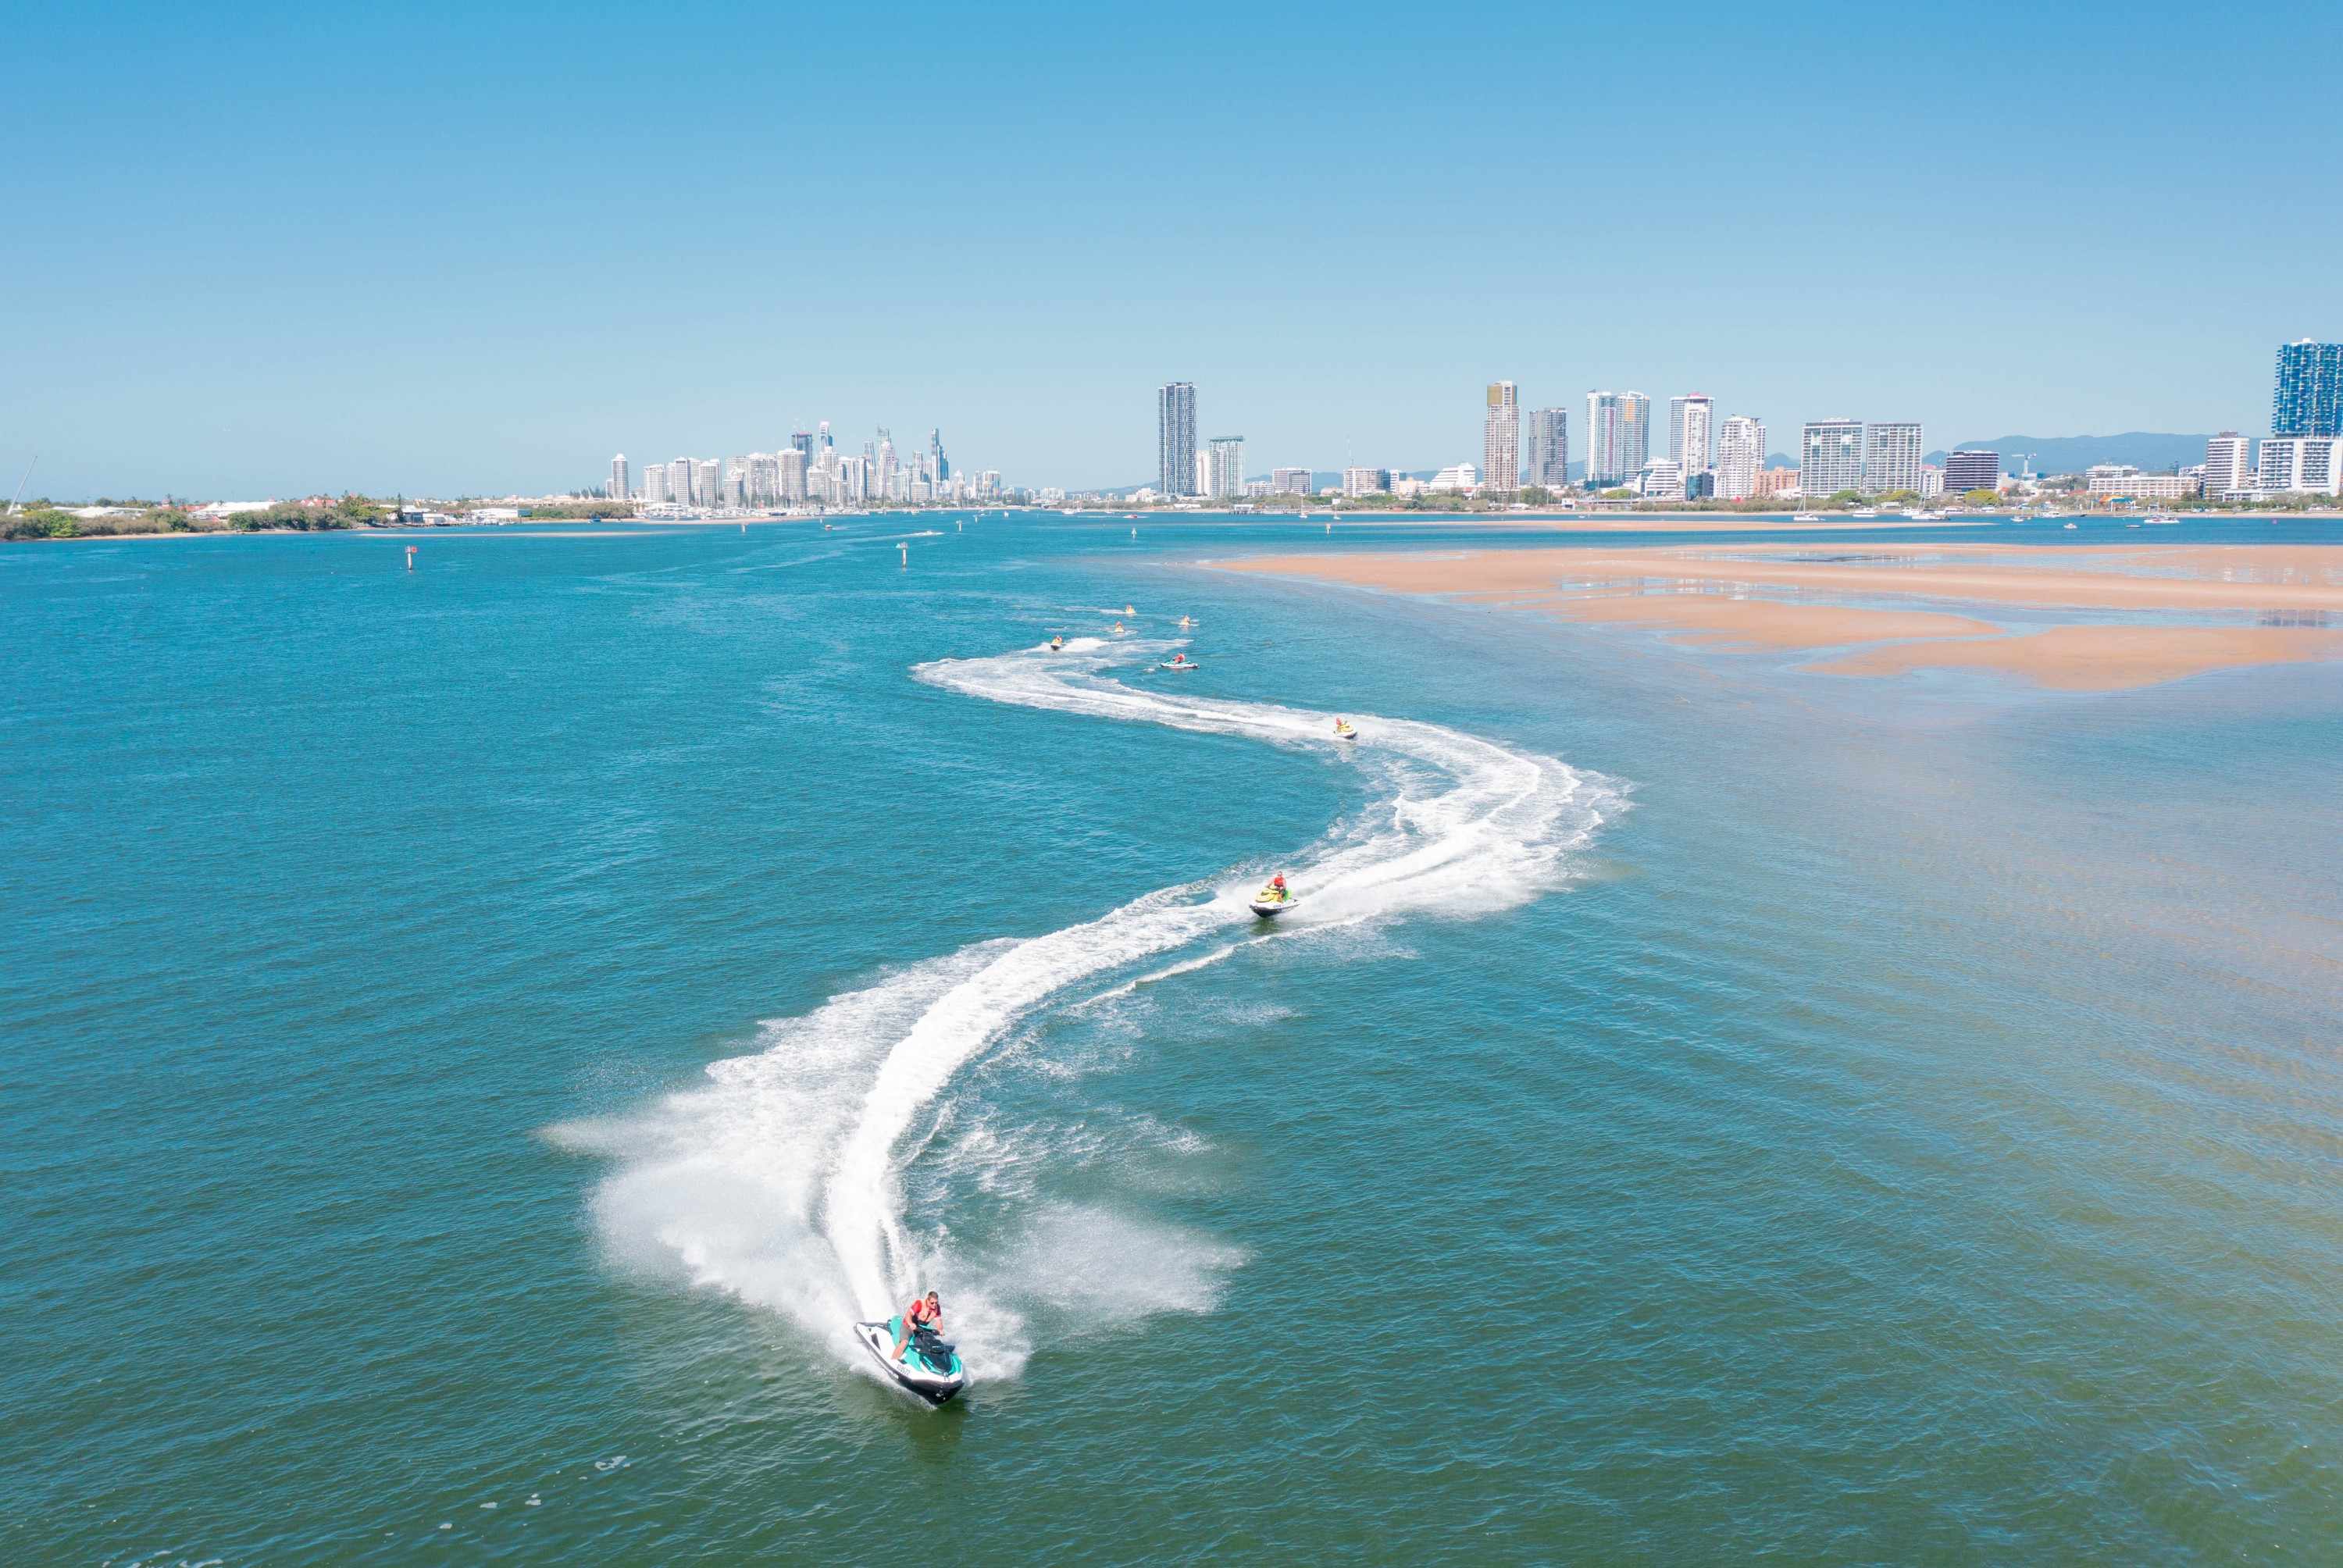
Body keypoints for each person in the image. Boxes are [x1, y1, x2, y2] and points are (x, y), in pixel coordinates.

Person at [893, 1289, 943, 1362]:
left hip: (921, 1330)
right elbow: (908, 1314)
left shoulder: (937, 1308)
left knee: (932, 1345)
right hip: (908, 1326)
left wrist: (939, 1330)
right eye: (932, 1303)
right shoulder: (919, 1304)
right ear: (928, 1300)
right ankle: (893, 1360)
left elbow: (939, 1322)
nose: (934, 1305)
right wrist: (910, 1323)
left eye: (936, 1303)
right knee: (904, 1343)